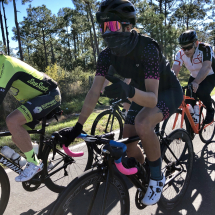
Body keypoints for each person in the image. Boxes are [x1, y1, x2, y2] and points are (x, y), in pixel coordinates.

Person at [60, 0, 183, 206]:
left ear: (129, 26)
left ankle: (156, 177)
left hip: (166, 91)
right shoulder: (107, 55)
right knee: (128, 139)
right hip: (140, 92)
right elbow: (93, 92)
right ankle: (144, 168)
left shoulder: (148, 48)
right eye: (104, 26)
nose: (108, 32)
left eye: (113, 25)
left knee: (143, 123)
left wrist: (129, 91)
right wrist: (78, 126)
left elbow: (152, 98)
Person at [0, 52, 61, 182]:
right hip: (35, 99)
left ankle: (35, 163)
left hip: (49, 95)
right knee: (17, 136)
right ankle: (44, 159)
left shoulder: (7, 64)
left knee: (12, 121)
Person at [172, 30, 215, 124]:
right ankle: (191, 128)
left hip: (210, 75)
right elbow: (174, 71)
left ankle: (210, 110)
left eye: (189, 47)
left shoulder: (205, 48)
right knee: (188, 101)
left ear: (196, 43)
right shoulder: (180, 53)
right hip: (194, 76)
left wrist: (196, 82)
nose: (186, 51)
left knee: (201, 92)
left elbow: (206, 66)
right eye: (184, 48)